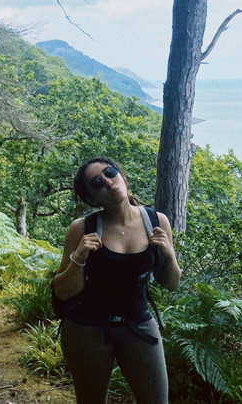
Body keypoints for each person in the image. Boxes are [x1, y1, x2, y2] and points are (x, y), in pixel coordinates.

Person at [52, 157, 181, 404]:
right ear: (92, 198)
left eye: (110, 173)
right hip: (86, 328)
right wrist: (78, 258)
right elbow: (63, 291)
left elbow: (171, 283)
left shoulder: (156, 221)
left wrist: (168, 254)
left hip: (138, 325)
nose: (108, 182)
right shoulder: (83, 228)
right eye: (97, 183)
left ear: (122, 176)